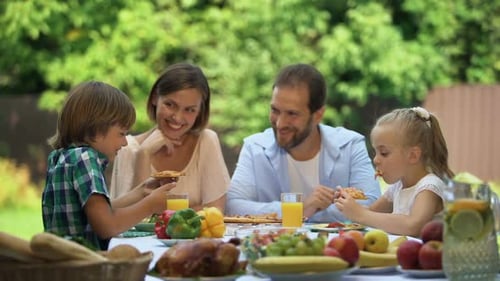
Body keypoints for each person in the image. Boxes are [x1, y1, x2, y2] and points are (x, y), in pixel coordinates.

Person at [226, 63, 380, 222]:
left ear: (318, 115)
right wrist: (300, 208)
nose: (280, 123)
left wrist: (303, 213)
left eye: (292, 114)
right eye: (275, 110)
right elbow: (233, 206)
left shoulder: (350, 145)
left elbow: (372, 204)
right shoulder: (254, 147)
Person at [42, 81, 175, 250]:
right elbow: (107, 226)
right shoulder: (85, 159)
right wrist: (151, 205)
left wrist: (140, 193)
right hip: (88, 268)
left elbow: (96, 212)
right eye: (121, 133)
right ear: (96, 129)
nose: (125, 142)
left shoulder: (62, 158)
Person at [110, 63, 229, 212]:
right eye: (170, 104)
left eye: (189, 110)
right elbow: (127, 219)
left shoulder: (206, 141)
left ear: (200, 111)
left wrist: (168, 220)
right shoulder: (127, 148)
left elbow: (215, 209)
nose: (178, 118)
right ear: (155, 98)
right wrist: (144, 154)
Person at [334, 107, 454, 237]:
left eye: (384, 153)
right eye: (375, 152)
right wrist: (348, 205)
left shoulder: (429, 186)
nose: (375, 160)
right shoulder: (397, 187)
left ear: (413, 155)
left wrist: (361, 214)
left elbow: (413, 225)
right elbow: (370, 214)